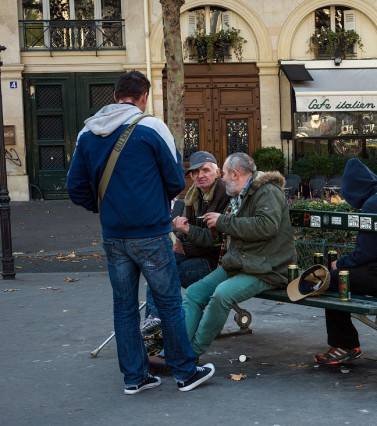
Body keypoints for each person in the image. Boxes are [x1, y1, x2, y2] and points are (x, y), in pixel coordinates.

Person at [66, 71, 214, 394]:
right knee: (170, 301)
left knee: (124, 305)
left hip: (113, 235)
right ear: (143, 97)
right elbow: (176, 180)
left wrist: (103, 206)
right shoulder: (151, 128)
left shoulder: (87, 134)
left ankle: (135, 377)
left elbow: (74, 187)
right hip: (150, 232)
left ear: (116, 95)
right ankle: (185, 372)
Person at [180, 152, 297, 357]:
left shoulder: (267, 191)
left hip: (267, 268)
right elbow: (219, 237)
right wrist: (190, 231)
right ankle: (178, 350)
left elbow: (266, 226)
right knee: (194, 293)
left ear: (234, 174)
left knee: (222, 295)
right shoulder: (239, 195)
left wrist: (223, 221)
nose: (222, 178)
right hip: (242, 263)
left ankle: (192, 353)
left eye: (224, 174)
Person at [314, 158, 377, 365]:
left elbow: (366, 253)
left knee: (335, 279)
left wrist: (341, 264)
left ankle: (344, 345)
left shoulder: (373, 205)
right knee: (345, 275)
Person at [144, 151, 230, 319]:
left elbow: (218, 242)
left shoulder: (225, 195)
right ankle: (153, 322)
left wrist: (186, 238)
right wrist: (179, 235)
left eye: (205, 170)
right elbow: (188, 231)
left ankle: (163, 322)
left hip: (217, 262)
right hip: (197, 252)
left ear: (217, 172)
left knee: (169, 274)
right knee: (158, 268)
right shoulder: (194, 194)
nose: (200, 175)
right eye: (195, 172)